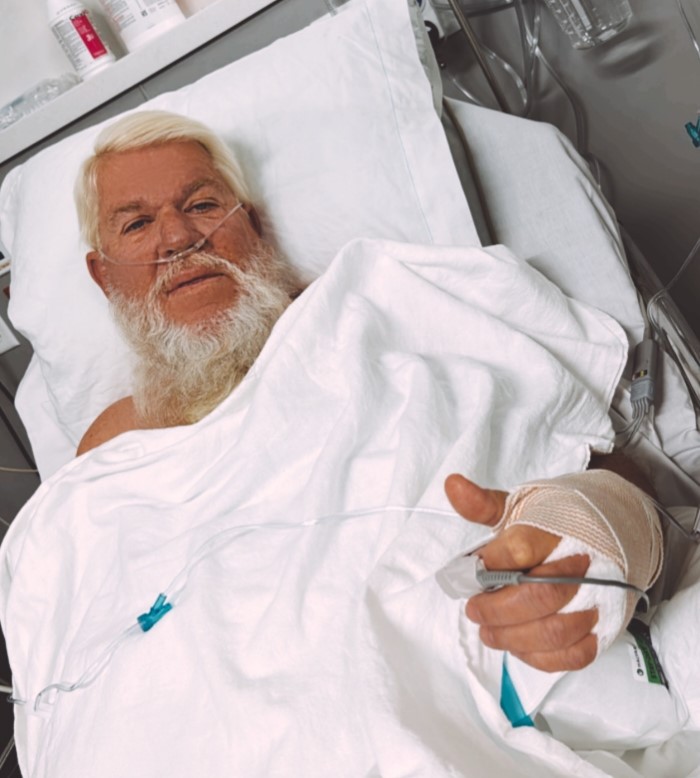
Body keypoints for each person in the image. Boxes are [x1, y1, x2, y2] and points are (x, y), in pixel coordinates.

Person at [73, 109, 662, 676]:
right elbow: (89, 643)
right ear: (103, 277)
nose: (178, 237)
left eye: (202, 204)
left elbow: (608, 467)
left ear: (251, 226)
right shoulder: (110, 447)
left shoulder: (385, 308)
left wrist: (596, 526)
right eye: (136, 223)